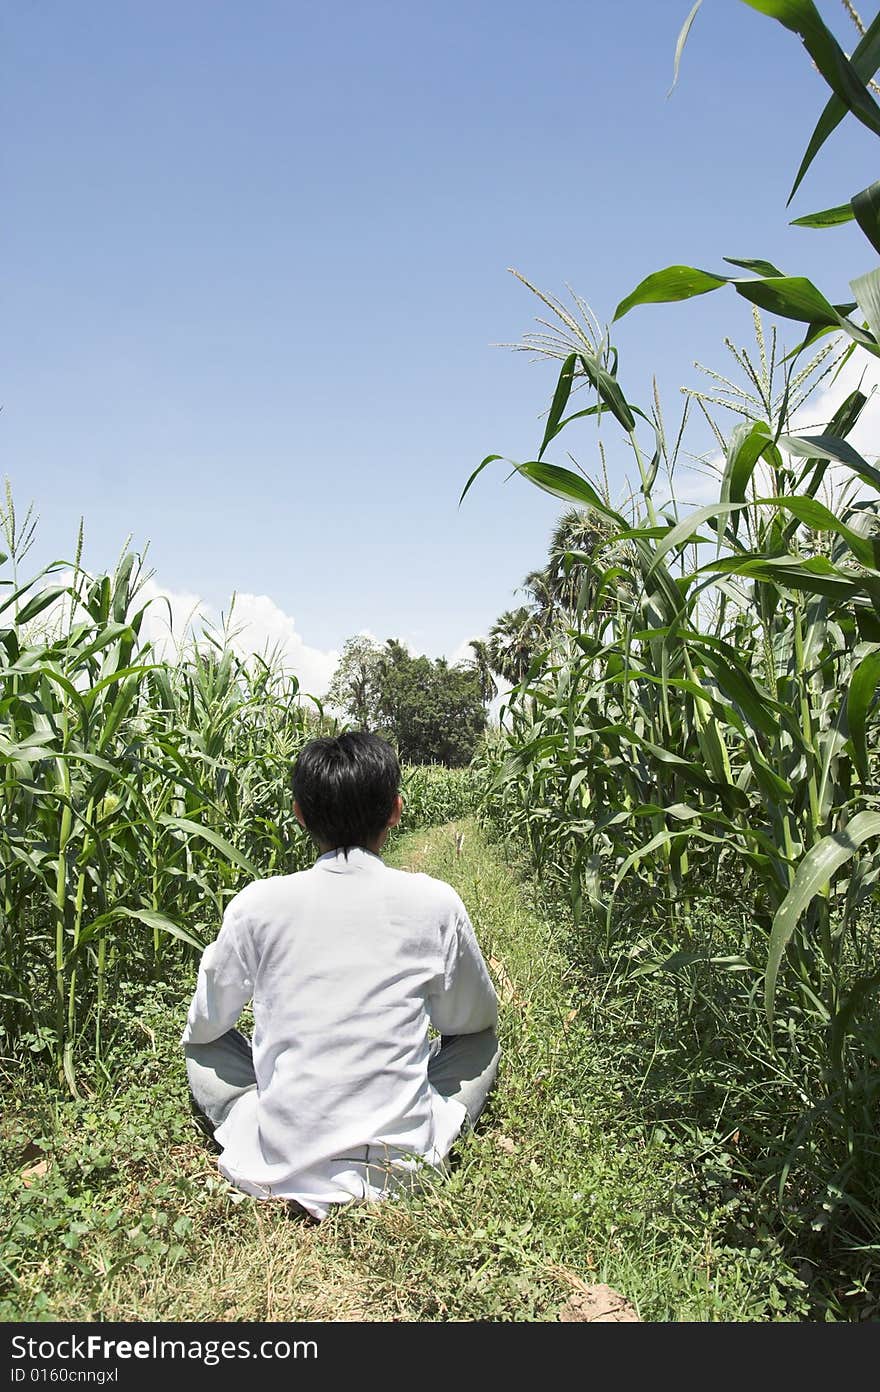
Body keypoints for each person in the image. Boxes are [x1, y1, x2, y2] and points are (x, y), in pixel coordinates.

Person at [181, 730, 500, 1220]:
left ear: (300, 814)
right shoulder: (435, 903)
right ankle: (414, 1126)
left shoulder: (257, 905)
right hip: (403, 1169)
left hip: (280, 1162)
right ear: (394, 811)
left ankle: (265, 1118)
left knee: (204, 1047)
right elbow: (472, 1021)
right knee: (481, 1042)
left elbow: (206, 1026)